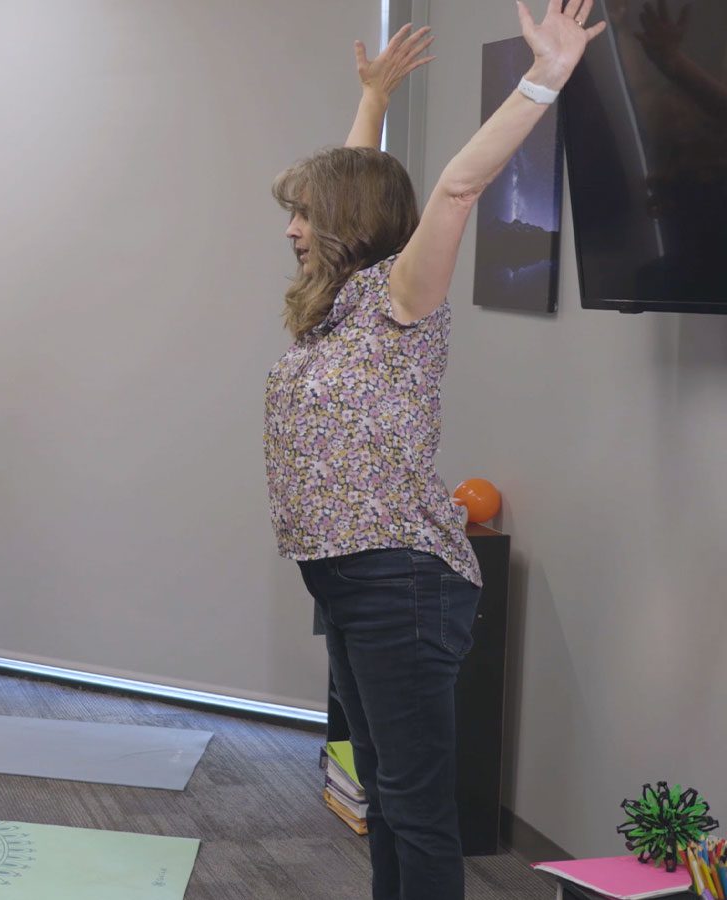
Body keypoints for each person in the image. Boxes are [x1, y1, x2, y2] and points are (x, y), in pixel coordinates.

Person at [264, 4, 605, 898]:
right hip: (344, 575)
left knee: (415, 807)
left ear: (337, 223)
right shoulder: (333, 301)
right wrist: (370, 102)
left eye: (304, 215)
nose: (292, 229)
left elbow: (453, 187)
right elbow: (356, 187)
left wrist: (544, 80)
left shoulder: (399, 301)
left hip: (401, 581)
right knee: (382, 790)